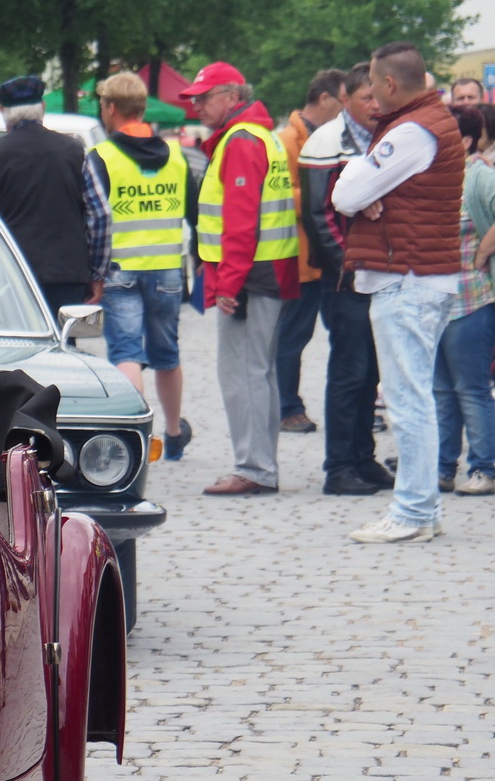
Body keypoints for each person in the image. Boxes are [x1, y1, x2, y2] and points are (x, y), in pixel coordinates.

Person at [333, 42, 466, 542]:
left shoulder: (411, 131)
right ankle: (422, 509)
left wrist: (360, 176)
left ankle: (411, 512)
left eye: (372, 84)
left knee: (408, 401)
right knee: (417, 398)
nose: (370, 96)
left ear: (389, 84)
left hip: (405, 280)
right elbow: (357, 194)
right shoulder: (432, 122)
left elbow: (346, 194)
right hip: (422, 277)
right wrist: (366, 181)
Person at [184, 61, 300, 497]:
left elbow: (240, 220)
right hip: (263, 271)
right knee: (259, 372)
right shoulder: (258, 135)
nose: (196, 106)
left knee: (243, 374)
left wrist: (228, 282)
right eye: (193, 98)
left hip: (248, 277)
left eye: (203, 97)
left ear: (232, 96)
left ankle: (253, 468)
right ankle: (259, 465)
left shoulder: (240, 141)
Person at [90, 71, 192, 460]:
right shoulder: (178, 156)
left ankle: (137, 438)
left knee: (126, 352)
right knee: (167, 354)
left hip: (120, 268)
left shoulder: (102, 157)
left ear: (112, 108)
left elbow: (95, 218)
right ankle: (175, 432)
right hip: (167, 267)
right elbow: (193, 211)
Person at [300, 64, 392, 496]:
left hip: (376, 271)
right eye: (366, 98)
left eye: (378, 97)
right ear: (346, 98)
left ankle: (363, 455)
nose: (375, 105)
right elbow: (319, 215)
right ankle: (339, 465)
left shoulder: (383, 135)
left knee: (370, 370)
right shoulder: (327, 139)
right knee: (349, 370)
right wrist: (347, 263)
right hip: (345, 276)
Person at [0, 75, 110, 316]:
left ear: (3, 111)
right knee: (64, 347)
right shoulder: (74, 152)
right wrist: (97, 273)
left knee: (18, 345)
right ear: (42, 108)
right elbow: (100, 216)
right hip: (67, 275)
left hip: (11, 274)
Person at [273, 69, 344, 435]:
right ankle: (287, 407)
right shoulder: (287, 140)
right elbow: (281, 196)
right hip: (300, 258)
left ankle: (350, 406)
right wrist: (328, 196)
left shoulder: (328, 137)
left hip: (325, 258)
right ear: (325, 98)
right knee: (293, 336)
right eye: (343, 101)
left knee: (345, 333)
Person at [433, 104, 495, 496]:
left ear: (467, 140)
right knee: (439, 390)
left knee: (470, 388)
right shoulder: (436, 178)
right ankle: (441, 468)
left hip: (471, 299)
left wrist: (483, 253)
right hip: (436, 301)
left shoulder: (479, 177)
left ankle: (484, 467)